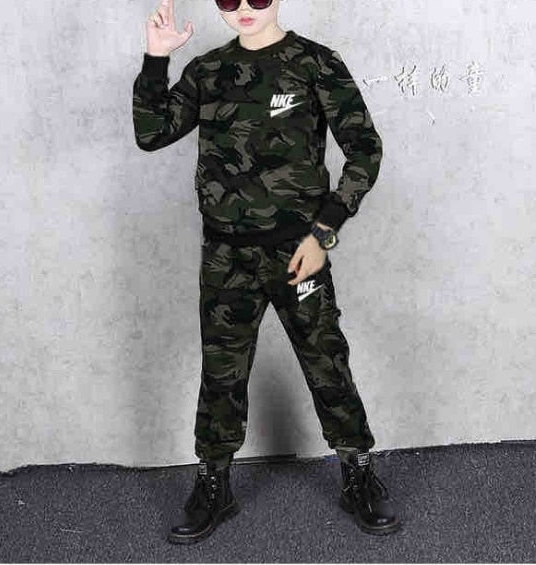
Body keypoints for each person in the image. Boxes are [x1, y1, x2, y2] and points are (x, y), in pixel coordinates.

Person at [133, 0, 401, 543]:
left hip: (298, 252)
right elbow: (151, 132)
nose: (243, 9)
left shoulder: (315, 63)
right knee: (221, 373)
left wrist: (323, 234)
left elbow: (365, 150)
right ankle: (215, 484)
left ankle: (357, 473)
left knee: (326, 360)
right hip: (225, 256)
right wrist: (156, 60)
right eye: (229, 0)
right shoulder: (208, 70)